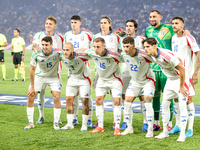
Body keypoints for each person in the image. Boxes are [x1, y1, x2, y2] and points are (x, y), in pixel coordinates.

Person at [142, 38, 189, 142]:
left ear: (155, 46)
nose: (145, 49)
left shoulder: (166, 56)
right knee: (165, 105)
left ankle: (182, 134)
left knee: (182, 105)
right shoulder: (152, 53)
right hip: (170, 80)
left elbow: (182, 69)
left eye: (147, 47)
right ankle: (165, 132)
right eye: (144, 47)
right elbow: (138, 50)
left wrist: (181, 86)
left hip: (181, 79)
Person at [78, 37, 122, 135]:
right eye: (94, 47)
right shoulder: (92, 52)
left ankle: (117, 126)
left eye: (98, 47)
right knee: (98, 99)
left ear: (104, 46)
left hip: (114, 79)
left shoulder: (113, 54)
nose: (96, 49)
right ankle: (100, 126)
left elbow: (125, 58)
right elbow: (82, 52)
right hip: (102, 80)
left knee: (116, 101)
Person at [145, 10, 175, 131]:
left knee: (168, 97)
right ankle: (156, 122)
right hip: (154, 68)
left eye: (154, 16)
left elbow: (181, 33)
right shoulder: (148, 30)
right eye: (150, 17)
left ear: (160, 17)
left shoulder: (169, 28)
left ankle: (169, 124)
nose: (152, 18)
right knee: (155, 96)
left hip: (167, 68)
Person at [170, 16, 200, 138]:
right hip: (176, 75)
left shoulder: (189, 38)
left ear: (183, 25)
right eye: (172, 23)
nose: (174, 25)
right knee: (177, 99)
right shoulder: (173, 37)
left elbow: (198, 53)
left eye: (176, 23)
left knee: (188, 100)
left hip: (187, 75)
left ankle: (190, 128)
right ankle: (177, 125)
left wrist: (196, 72)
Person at [24, 36, 62, 130]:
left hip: (53, 77)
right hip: (40, 76)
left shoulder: (58, 52)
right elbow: (32, 70)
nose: (44, 47)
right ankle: (30, 122)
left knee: (56, 97)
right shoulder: (36, 53)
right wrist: (32, 86)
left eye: (47, 45)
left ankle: (56, 122)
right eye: (43, 45)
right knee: (31, 95)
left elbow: (67, 54)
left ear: (51, 45)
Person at [120, 37, 155, 138]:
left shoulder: (143, 54)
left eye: (127, 46)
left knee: (147, 103)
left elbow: (156, 58)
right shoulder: (123, 55)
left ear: (133, 46)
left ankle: (150, 129)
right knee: (126, 102)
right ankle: (129, 127)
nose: (125, 49)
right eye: (124, 46)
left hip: (147, 81)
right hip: (135, 82)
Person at [32, 16, 63, 125]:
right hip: (41, 71)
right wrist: (35, 47)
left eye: (50, 24)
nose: (48, 25)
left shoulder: (60, 38)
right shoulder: (39, 35)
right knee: (40, 94)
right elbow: (34, 44)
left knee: (56, 95)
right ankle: (41, 116)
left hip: (55, 71)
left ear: (55, 25)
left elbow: (63, 50)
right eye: (46, 23)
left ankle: (57, 118)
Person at [91, 16, 120, 129]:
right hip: (100, 72)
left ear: (109, 24)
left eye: (105, 23)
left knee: (115, 97)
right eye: (101, 22)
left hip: (113, 72)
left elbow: (120, 53)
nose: (102, 25)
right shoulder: (95, 37)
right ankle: (100, 122)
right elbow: (92, 52)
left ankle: (115, 121)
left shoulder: (116, 37)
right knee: (99, 98)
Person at [64, 15, 93, 127]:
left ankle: (89, 118)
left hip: (84, 68)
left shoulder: (88, 35)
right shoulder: (67, 35)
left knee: (87, 96)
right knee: (73, 95)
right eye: (72, 22)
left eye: (75, 22)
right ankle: (74, 118)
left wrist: (75, 51)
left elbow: (91, 49)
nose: (73, 24)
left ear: (80, 23)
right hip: (71, 69)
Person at [118, 19, 147, 131]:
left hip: (140, 72)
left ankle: (145, 122)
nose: (128, 28)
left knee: (142, 97)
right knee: (125, 97)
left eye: (130, 26)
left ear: (135, 27)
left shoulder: (142, 39)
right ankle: (126, 121)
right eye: (126, 26)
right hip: (126, 70)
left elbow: (147, 52)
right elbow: (120, 53)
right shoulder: (122, 39)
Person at [60, 42, 91, 131]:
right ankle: (70, 123)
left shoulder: (81, 56)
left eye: (67, 50)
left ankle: (84, 124)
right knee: (68, 99)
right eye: (64, 50)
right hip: (72, 78)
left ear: (72, 50)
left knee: (84, 101)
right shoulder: (62, 56)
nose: (65, 52)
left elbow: (91, 53)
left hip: (84, 79)